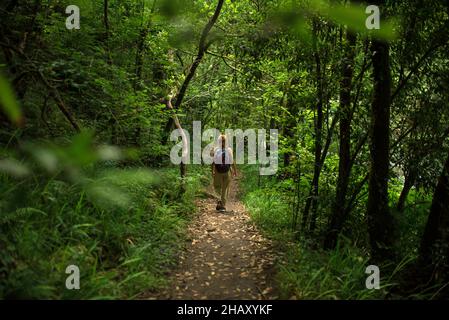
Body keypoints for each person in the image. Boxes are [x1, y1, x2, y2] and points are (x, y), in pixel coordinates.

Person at [211, 134, 237, 211]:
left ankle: (221, 203)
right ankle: (221, 202)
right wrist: (235, 171)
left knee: (220, 187)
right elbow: (232, 161)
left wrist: (212, 170)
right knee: (221, 187)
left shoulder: (217, 149)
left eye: (223, 141)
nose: (222, 143)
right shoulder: (228, 149)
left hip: (221, 170)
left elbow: (213, 161)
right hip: (223, 171)